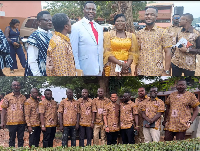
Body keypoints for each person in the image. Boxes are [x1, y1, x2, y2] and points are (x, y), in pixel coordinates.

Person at [136, 6, 172, 76]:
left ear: (156, 17)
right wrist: (136, 68)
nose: (149, 16)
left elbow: (168, 52)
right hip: (141, 69)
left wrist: (166, 71)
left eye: (152, 14)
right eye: (147, 14)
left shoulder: (163, 32)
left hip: (156, 70)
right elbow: (138, 51)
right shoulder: (139, 33)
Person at [70, 1, 104, 76]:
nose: (91, 11)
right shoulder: (76, 27)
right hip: (85, 69)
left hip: (99, 69)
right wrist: (78, 70)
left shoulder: (99, 27)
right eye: (88, 9)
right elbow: (73, 52)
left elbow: (100, 48)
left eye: (93, 9)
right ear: (84, 10)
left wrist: (102, 67)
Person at [25, 11, 53, 76]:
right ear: (39, 22)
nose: (50, 22)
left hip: (49, 70)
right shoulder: (34, 37)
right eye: (47, 20)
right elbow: (32, 60)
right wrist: (37, 74)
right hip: (40, 71)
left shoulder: (50, 35)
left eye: (51, 20)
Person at [1, 81, 26, 147]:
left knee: (21, 139)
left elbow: (26, 110)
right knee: (12, 139)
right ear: (11, 86)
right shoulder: (7, 97)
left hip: (22, 122)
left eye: (18, 85)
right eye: (14, 85)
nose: (16, 86)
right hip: (11, 122)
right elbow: (3, 110)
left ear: (20, 86)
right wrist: (2, 121)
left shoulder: (23, 98)